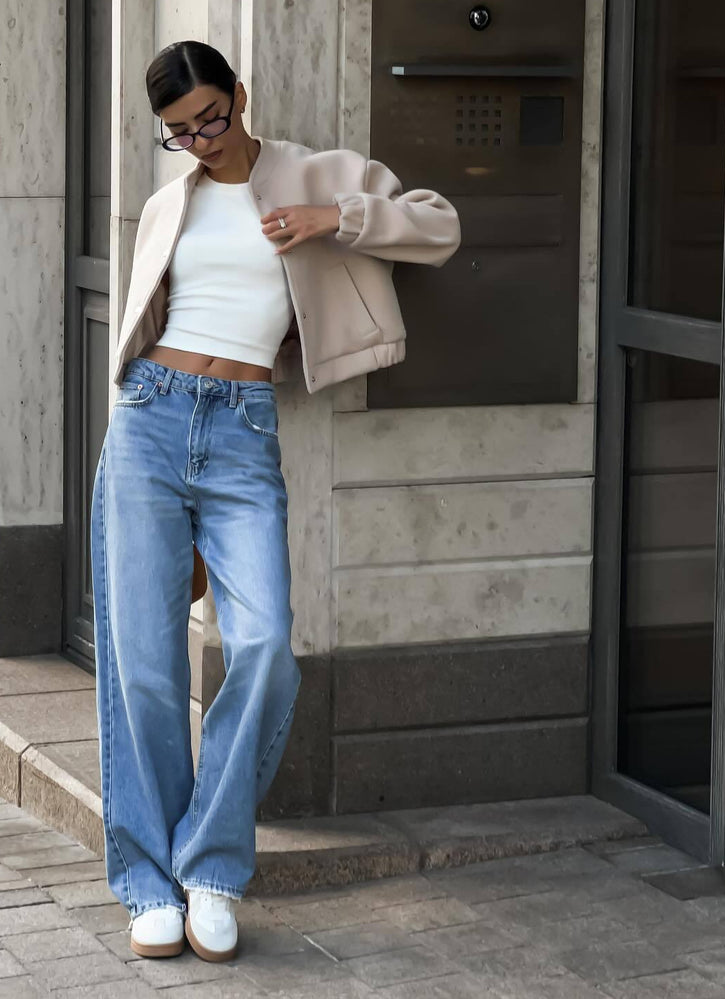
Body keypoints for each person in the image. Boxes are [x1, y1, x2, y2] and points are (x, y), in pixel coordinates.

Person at [90, 39, 460, 963]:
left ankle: (211, 863)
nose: (201, 140)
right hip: (148, 421)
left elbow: (439, 224)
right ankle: (148, 882)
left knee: (262, 646)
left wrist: (333, 217)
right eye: (179, 132)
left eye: (211, 118)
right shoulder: (169, 200)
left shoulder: (310, 172)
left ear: (240, 97)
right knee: (141, 664)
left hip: (245, 430)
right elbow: (145, 322)